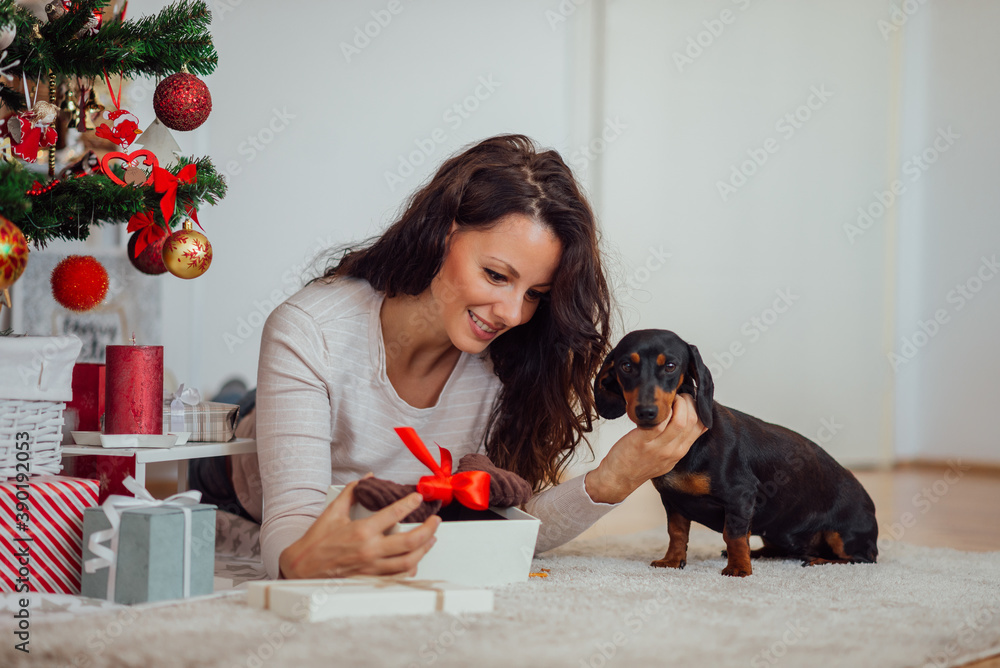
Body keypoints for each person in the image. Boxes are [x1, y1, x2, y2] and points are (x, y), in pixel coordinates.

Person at [200, 134, 706, 580]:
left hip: (392, 496)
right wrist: (298, 560)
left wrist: (614, 478)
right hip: (237, 475)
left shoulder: (509, 360)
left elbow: (509, 524)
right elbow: (292, 520)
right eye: (496, 275)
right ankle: (225, 397)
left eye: (535, 293)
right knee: (226, 415)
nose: (512, 312)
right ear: (443, 233)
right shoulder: (310, 329)